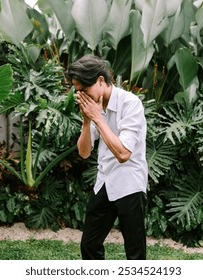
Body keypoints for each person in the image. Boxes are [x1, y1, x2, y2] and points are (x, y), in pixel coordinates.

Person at [65, 55, 148, 260]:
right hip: (104, 181)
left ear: (100, 80)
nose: (81, 95)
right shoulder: (94, 107)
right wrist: (86, 122)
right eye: (77, 92)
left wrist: (96, 118)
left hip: (130, 184)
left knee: (135, 254)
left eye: (84, 89)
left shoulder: (131, 104)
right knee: (89, 246)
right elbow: (84, 153)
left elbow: (123, 153)